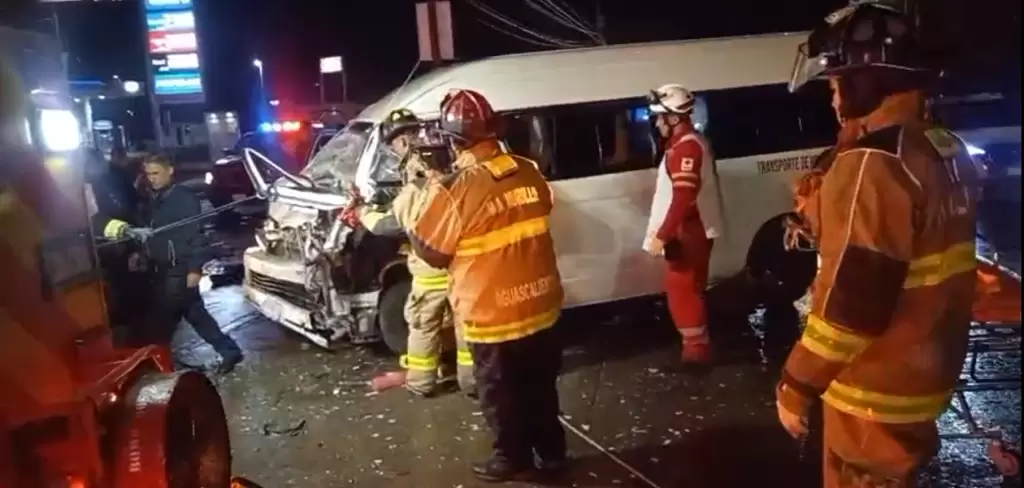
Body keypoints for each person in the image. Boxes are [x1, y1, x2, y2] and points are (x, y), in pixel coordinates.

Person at [776, 3, 981, 486]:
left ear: (863, 81)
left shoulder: (872, 163)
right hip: (923, 374)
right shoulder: (938, 145)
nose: (832, 98)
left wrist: (796, 383)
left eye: (834, 83)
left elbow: (854, 303)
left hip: (874, 388)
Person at [405, 89, 566, 482]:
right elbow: (542, 206)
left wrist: (430, 190)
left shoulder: (458, 187)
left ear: (453, 138)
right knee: (541, 386)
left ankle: (512, 457)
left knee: (501, 393)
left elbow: (430, 250)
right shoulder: (528, 169)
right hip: (542, 304)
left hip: (494, 312)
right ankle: (552, 453)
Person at [357, 108, 474, 397]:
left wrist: (361, 213)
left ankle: (421, 382)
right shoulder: (453, 167)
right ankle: (472, 382)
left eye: (397, 141)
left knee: (424, 325)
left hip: (430, 270)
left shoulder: (417, 180)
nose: (399, 146)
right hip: (460, 266)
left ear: (402, 142)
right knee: (464, 326)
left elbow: (388, 224)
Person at [105, 154, 244, 375]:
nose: (152, 179)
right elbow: (151, 233)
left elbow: (197, 236)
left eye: (156, 173)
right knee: (196, 315)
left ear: (170, 170)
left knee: (162, 320)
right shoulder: (153, 199)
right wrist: (140, 252)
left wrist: (195, 268)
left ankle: (158, 363)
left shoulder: (184, 199)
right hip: (162, 267)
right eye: (148, 174)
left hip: (179, 268)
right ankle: (228, 351)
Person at [642, 83, 724, 366]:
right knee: (689, 289)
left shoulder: (687, 147)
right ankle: (696, 349)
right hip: (691, 229)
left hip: (688, 230)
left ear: (674, 118)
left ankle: (696, 356)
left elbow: (684, 196)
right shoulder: (684, 143)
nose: (656, 122)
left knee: (682, 291)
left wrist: (662, 235)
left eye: (659, 117)